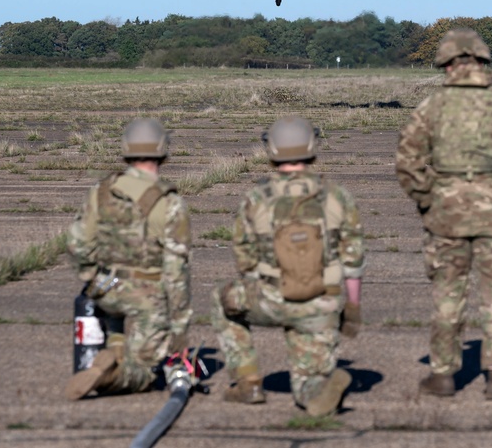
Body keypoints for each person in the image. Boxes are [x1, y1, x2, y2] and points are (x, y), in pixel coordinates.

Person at [396, 28, 492, 400]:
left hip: (446, 214)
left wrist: (428, 198)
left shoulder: (430, 108)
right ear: (482, 62)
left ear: (445, 65)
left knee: (448, 294)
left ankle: (443, 374)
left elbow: (408, 160)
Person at [211, 117, 364, 417]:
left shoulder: (256, 198)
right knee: (309, 383)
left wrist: (262, 288)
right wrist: (353, 307)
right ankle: (317, 389)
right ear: (311, 147)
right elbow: (354, 259)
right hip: (322, 304)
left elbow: (244, 257)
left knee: (221, 298)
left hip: (271, 298)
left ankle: (248, 382)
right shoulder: (336, 196)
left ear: (272, 150)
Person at [65, 118, 192, 400]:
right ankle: (111, 375)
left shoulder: (101, 192)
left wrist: (91, 278)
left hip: (107, 287)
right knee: (145, 372)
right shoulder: (169, 202)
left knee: (115, 313)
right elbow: (176, 271)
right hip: (147, 294)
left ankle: (115, 352)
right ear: (163, 150)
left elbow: (77, 244)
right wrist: (180, 327)